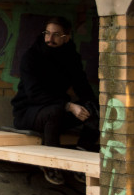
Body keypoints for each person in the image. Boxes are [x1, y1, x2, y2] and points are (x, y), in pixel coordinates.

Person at [11, 16, 99, 185]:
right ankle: (50, 163)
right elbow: (34, 93)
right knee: (55, 111)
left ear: (67, 37)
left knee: (93, 108)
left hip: (58, 110)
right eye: (47, 33)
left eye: (56, 35)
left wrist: (92, 105)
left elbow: (82, 86)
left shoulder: (71, 57)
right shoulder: (32, 56)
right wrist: (68, 106)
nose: (49, 38)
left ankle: (81, 157)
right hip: (29, 112)